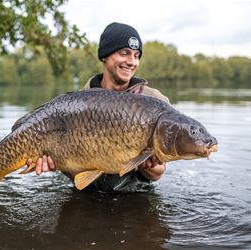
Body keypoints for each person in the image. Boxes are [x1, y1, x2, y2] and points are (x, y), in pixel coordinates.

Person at [28, 22, 168, 192]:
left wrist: (147, 165)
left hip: (136, 195)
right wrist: (57, 163)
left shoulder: (154, 102)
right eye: (125, 53)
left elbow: (158, 174)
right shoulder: (77, 105)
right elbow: (78, 178)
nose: (132, 62)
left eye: (136, 55)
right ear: (105, 56)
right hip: (89, 193)